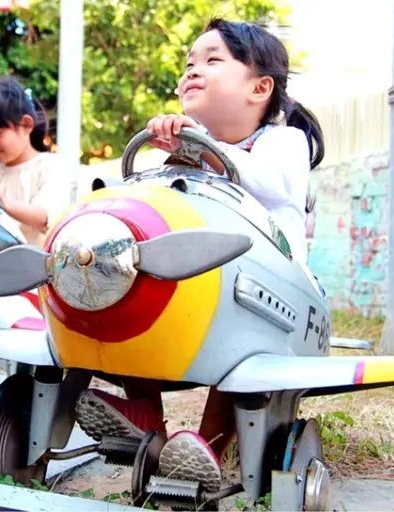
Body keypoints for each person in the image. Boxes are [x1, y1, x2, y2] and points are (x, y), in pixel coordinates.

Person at [73, 18, 325, 492]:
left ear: (260, 88)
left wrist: (202, 146)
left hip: (270, 293)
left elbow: (274, 186)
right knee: (138, 273)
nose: (192, 70)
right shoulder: (190, 149)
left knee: (242, 343)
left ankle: (206, 446)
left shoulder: (283, 140)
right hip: (208, 284)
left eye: (212, 60)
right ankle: (145, 415)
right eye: (189, 63)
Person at [0, 77, 71, 247]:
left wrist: (4, 202)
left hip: (36, 262)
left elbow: (45, 218)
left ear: (27, 124)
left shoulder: (50, 166)